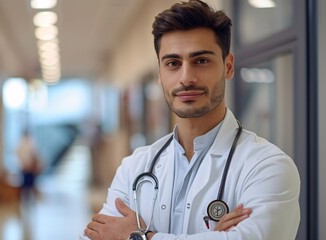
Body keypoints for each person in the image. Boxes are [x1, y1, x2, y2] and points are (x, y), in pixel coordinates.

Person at [81, 0, 300, 239]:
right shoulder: (135, 167)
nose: (186, 78)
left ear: (228, 66)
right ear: (160, 74)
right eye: (173, 63)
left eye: (201, 61)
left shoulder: (267, 166)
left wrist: (140, 236)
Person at [16, 129, 42, 204]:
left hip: (27, 166)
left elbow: (34, 153)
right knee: (27, 183)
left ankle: (28, 197)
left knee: (28, 183)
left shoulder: (26, 142)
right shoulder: (26, 143)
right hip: (26, 166)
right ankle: (26, 197)